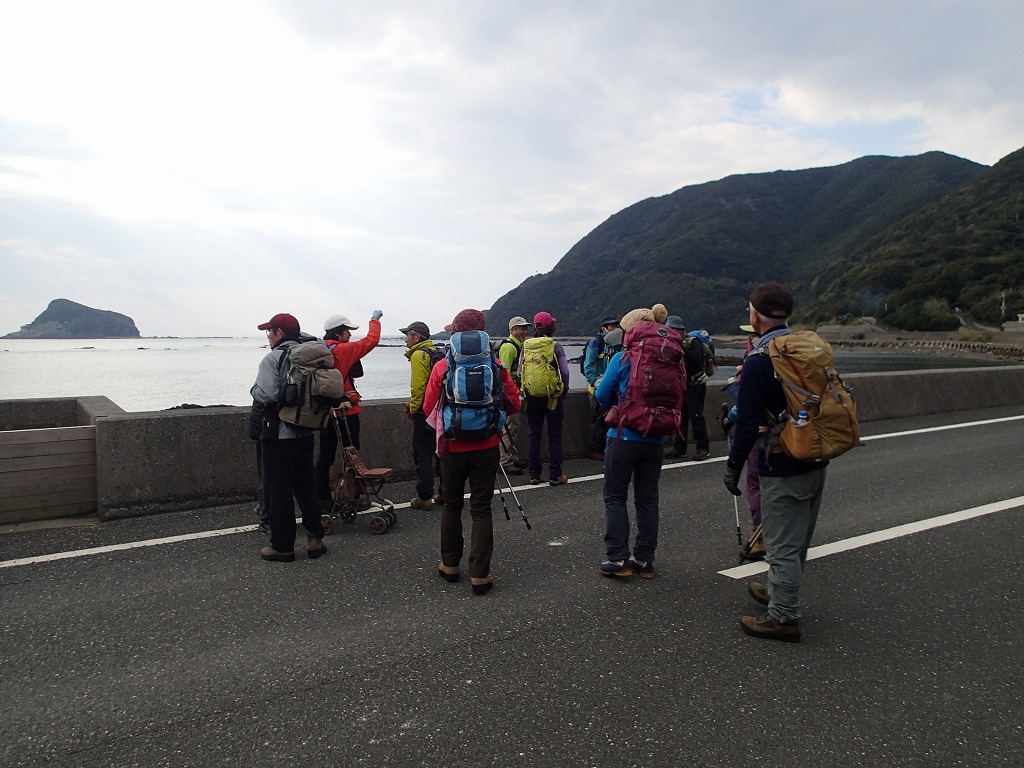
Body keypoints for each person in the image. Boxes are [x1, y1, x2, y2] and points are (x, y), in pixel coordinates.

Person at [723, 282, 827, 642]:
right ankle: (777, 591)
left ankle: (783, 617)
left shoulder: (759, 361)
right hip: (815, 453)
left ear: (755, 316)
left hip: (781, 460)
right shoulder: (804, 350)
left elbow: (748, 422)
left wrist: (733, 465)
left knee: (781, 542)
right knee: (798, 538)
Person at [424, 308, 522, 595]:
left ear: (455, 332)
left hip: (452, 447)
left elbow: (428, 406)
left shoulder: (443, 366)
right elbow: (514, 404)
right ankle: (480, 574)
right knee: (481, 509)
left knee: (452, 505)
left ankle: (450, 565)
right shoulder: (496, 365)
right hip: (487, 447)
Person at [595, 303, 671, 578]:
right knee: (648, 499)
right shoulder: (668, 358)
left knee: (615, 496)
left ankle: (618, 559)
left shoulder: (623, 357)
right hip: (656, 437)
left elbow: (602, 395)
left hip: (624, 436)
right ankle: (644, 559)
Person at [250, 313, 327, 562]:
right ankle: (315, 539)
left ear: (279, 333)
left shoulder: (273, 358)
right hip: (305, 430)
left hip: (278, 433)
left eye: (269, 332)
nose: (268, 337)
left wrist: (253, 389)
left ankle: (283, 547)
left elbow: (267, 394)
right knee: (305, 485)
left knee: (279, 490)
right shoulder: (310, 357)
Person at [314, 310, 382, 508]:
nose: (350, 334)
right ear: (338, 333)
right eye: (347, 331)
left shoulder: (320, 350)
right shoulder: (342, 350)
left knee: (325, 455)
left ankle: (322, 497)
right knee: (352, 455)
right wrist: (375, 320)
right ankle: (353, 495)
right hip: (346, 412)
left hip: (326, 410)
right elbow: (371, 340)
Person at [721, 322, 764, 559]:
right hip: (793, 432)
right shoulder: (787, 356)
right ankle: (788, 538)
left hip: (764, 434)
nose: (749, 340)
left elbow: (748, 405)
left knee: (756, 485)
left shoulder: (756, 361)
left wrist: (730, 418)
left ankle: (760, 539)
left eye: (752, 335)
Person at [523, 311, 571, 485]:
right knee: (554, 434)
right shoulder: (555, 346)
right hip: (553, 397)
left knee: (533, 434)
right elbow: (565, 371)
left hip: (532, 396)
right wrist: (565, 389)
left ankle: (534, 474)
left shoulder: (527, 346)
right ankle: (555, 474)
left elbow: (521, 371)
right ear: (550, 326)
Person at [400, 320, 442, 509]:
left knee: (423, 454)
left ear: (416, 336)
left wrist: (414, 408)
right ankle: (445, 493)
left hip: (424, 412)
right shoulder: (435, 352)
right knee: (440, 452)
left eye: (407, 336)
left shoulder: (419, 355)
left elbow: (418, 387)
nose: (405, 340)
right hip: (439, 410)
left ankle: (425, 497)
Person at [665, 316, 710, 461]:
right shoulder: (669, 345)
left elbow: (696, 361)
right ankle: (679, 447)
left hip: (696, 383)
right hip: (681, 385)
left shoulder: (692, 342)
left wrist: (681, 348)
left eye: (673, 330)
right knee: (680, 417)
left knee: (696, 416)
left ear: (681, 330)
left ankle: (703, 448)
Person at [495, 316, 531, 475]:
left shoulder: (519, 345)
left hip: (515, 392)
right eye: (522, 328)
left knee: (513, 427)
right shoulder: (509, 347)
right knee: (509, 427)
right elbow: (505, 373)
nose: (525, 331)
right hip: (510, 394)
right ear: (512, 330)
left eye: (526, 328)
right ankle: (505, 462)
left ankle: (512, 457)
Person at [583, 314, 620, 461]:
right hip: (597, 390)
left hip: (610, 388)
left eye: (616, 326)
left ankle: (606, 448)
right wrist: (596, 382)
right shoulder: (596, 343)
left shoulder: (614, 344)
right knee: (599, 420)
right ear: (603, 328)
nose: (615, 328)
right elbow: (588, 366)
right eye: (612, 326)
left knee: (608, 420)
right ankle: (594, 450)